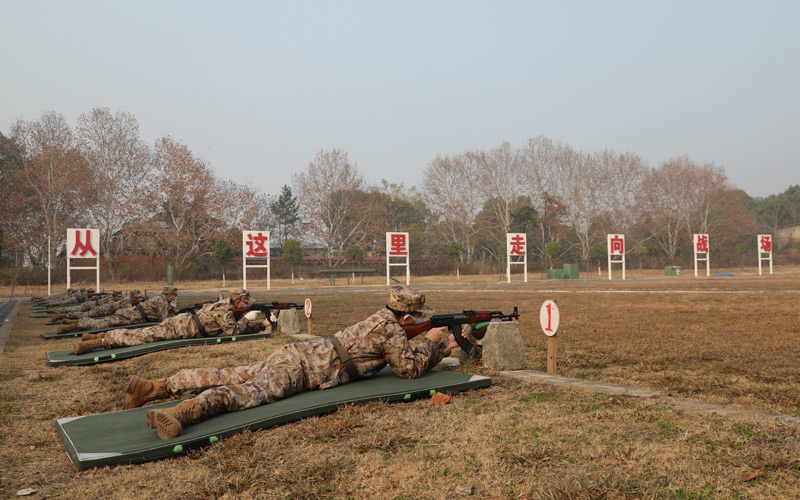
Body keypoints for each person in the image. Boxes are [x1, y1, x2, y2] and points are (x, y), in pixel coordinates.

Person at [124, 286, 458, 440]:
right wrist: (435, 346)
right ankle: (183, 412)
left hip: (298, 355)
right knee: (246, 392)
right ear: (410, 315)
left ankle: (153, 388)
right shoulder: (391, 330)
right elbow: (409, 370)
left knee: (230, 372)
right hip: (304, 370)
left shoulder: (382, 319)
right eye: (418, 318)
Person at [73, 289, 261, 355]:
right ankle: (99, 342)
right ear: (238, 302)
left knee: (141, 333)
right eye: (245, 303)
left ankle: (97, 336)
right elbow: (233, 332)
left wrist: (257, 326)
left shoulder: (225, 306)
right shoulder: (225, 309)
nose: (245, 306)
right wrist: (246, 319)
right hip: (181, 328)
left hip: (182, 323)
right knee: (140, 337)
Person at [58, 286, 176, 335]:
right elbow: (163, 319)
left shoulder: (160, 299)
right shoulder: (162, 301)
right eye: (173, 295)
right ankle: (72, 325)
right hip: (131, 316)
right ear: (169, 295)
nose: (174, 297)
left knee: (103, 322)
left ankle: (71, 323)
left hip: (130, 314)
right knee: (101, 324)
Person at [54, 290, 142, 321]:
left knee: (84, 314)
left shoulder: (127, 300)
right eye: (136, 297)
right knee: (85, 315)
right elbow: (131, 310)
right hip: (102, 310)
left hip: (103, 309)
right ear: (132, 296)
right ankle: (65, 315)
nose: (137, 299)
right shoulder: (126, 302)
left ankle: (64, 314)